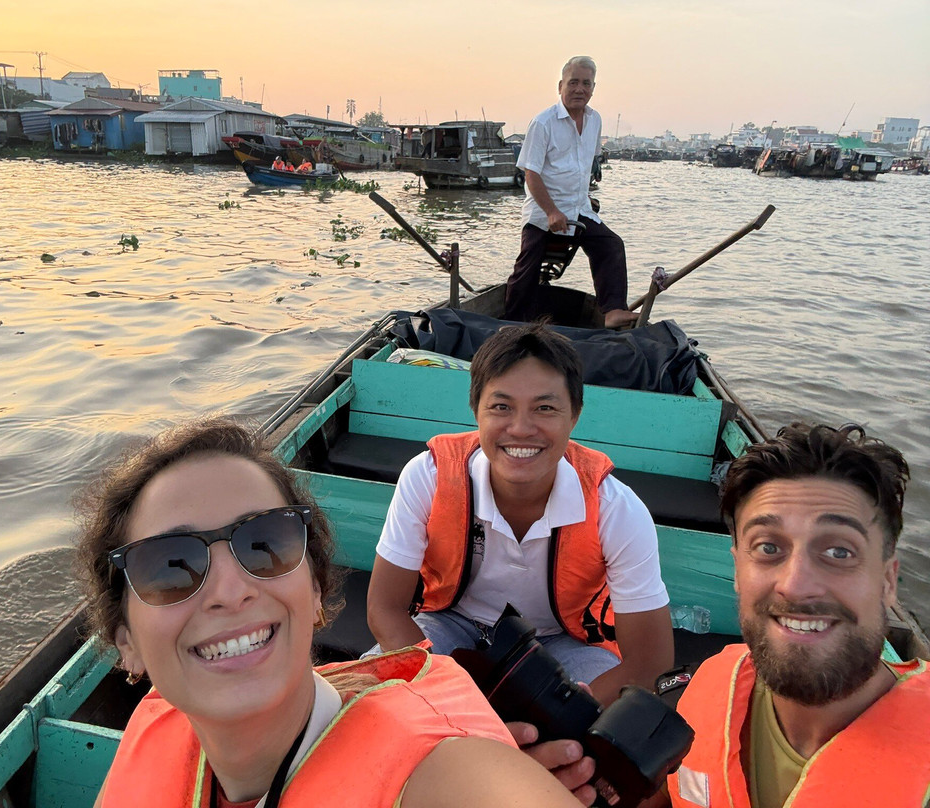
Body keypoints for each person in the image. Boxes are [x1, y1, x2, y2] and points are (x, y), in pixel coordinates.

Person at [75, 416, 590, 808]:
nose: (229, 591)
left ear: (316, 593)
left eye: (265, 542)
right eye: (170, 566)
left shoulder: (448, 779)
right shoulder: (160, 729)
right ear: (127, 643)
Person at [367, 324, 673, 706]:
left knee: (603, 735)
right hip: (448, 623)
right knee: (378, 695)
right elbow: (386, 608)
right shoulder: (428, 476)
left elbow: (650, 662)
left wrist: (566, 712)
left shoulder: (616, 509)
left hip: (566, 641)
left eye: (545, 408)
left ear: (574, 416)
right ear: (475, 410)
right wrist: (452, 698)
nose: (521, 429)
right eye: (501, 407)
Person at [668, 423, 930, 808]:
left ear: (888, 581)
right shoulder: (707, 686)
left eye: (839, 552)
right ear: (738, 570)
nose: (795, 584)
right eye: (769, 547)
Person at [506, 56, 637, 330]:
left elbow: (582, 166)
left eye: (586, 83)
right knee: (527, 268)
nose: (579, 89)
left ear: (593, 88)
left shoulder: (594, 120)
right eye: (573, 82)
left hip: (579, 209)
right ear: (560, 86)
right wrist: (551, 211)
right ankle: (511, 325)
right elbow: (531, 173)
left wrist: (585, 197)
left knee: (610, 246)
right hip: (543, 214)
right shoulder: (543, 123)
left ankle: (613, 310)